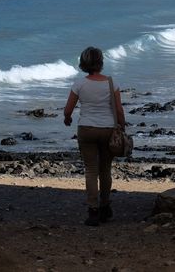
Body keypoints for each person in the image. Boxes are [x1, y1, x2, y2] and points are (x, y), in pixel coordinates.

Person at [63, 46, 127, 226]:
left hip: (86, 130)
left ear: (83, 64)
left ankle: (93, 211)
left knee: (91, 170)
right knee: (105, 170)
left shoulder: (79, 84)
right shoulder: (111, 83)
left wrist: (67, 119)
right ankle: (105, 207)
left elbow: (68, 110)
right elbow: (119, 110)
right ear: (101, 63)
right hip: (107, 129)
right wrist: (122, 126)